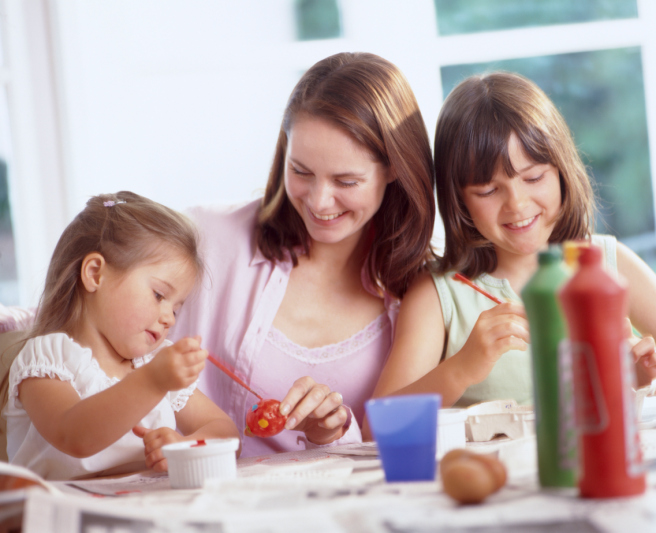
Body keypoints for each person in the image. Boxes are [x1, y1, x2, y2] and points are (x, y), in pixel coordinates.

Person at [172, 52, 436, 456]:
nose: (319, 201)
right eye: (300, 171)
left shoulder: (421, 295)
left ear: (394, 168)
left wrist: (333, 431)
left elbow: (389, 454)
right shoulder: (205, 238)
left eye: (346, 180)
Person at [367, 72, 656, 422]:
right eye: (488, 191)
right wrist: (462, 368)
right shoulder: (438, 293)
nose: (516, 204)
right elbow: (377, 424)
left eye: (533, 177)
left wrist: (640, 373)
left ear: (562, 171)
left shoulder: (607, 264)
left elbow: (635, 380)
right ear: (459, 201)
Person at [3, 191, 240, 480]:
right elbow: (76, 436)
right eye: (159, 295)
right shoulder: (47, 359)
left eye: (177, 309)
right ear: (95, 274)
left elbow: (226, 432)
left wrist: (187, 444)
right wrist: (154, 381)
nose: (168, 318)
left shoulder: (152, 361)